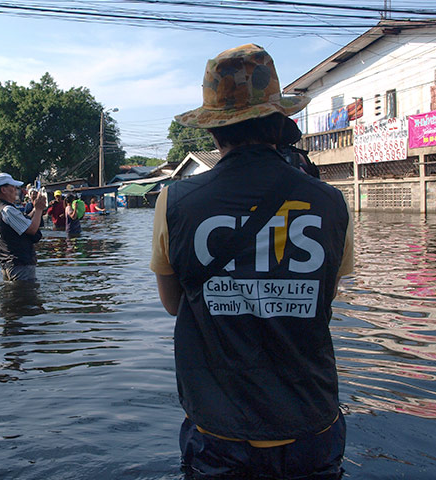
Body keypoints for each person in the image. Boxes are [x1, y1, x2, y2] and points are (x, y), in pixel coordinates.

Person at [150, 44, 354, 479]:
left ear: (213, 130)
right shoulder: (331, 203)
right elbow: (324, 298)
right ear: (279, 122)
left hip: (222, 432)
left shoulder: (175, 201)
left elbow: (174, 304)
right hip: (310, 425)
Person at [0, 172, 46, 282]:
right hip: (19, 264)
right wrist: (39, 209)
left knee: (13, 296)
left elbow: (21, 223)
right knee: (26, 297)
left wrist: (35, 209)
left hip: (7, 263)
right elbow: (32, 230)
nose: (16, 190)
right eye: (13, 187)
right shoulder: (7, 209)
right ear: (3, 190)